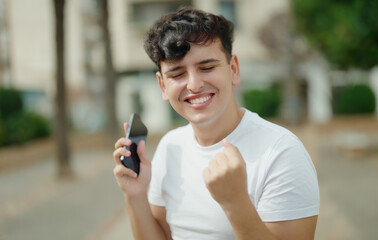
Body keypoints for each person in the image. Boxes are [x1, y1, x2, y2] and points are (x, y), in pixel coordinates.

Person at [113, 7, 319, 240]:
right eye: (177, 74)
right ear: (162, 86)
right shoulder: (170, 147)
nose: (194, 84)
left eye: (207, 67)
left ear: (233, 70)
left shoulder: (281, 152)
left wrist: (236, 202)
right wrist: (136, 195)